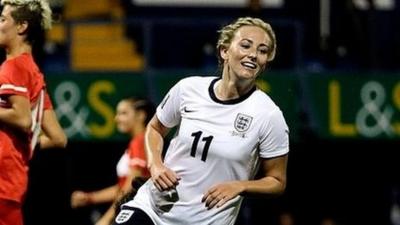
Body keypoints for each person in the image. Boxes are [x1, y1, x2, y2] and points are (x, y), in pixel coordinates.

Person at [113, 17, 289, 225]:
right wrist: (156, 165)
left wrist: (240, 186)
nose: (253, 54)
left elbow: (277, 181)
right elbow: (154, 128)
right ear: (224, 51)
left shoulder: (268, 115)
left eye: (262, 50)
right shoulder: (188, 89)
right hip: (152, 209)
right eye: (245, 45)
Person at [0, 0, 67, 225]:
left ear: (21, 27)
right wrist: (28, 142)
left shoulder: (13, 67)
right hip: (14, 180)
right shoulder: (34, 74)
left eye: (3, 19)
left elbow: (22, 119)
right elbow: (58, 138)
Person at [71, 97, 155, 225]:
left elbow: (130, 187)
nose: (117, 118)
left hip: (137, 213)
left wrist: (106, 220)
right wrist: (90, 198)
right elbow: (123, 187)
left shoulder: (139, 141)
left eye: (123, 113)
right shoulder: (140, 141)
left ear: (141, 115)